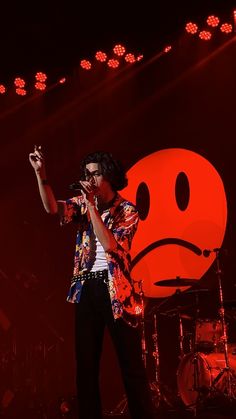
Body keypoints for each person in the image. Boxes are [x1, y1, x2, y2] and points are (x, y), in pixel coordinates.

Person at [29, 146, 155, 419]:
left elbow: (110, 244)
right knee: (85, 366)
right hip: (86, 288)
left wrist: (92, 207)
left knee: (130, 365)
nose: (90, 180)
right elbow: (53, 208)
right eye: (86, 174)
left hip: (117, 292)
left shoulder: (128, 211)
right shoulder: (83, 204)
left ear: (109, 176)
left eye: (95, 174)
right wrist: (42, 175)